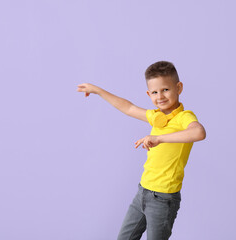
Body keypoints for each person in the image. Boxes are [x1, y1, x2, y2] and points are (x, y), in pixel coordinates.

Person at [77, 61, 206, 240]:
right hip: (143, 192)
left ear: (179, 88)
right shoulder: (157, 117)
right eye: (154, 92)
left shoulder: (185, 117)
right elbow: (128, 107)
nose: (160, 96)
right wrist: (98, 91)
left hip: (163, 198)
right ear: (149, 94)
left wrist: (159, 138)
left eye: (165, 90)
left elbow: (199, 132)